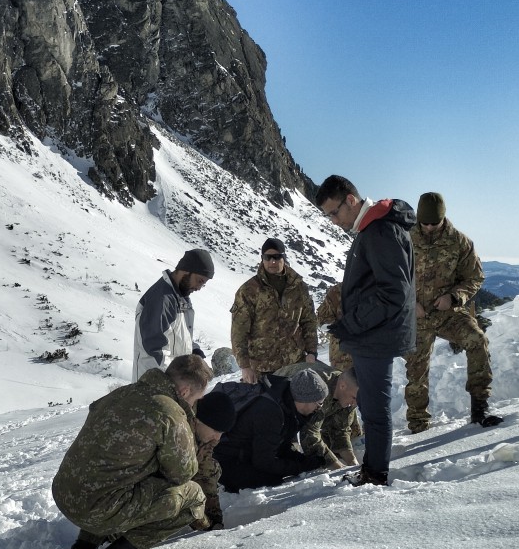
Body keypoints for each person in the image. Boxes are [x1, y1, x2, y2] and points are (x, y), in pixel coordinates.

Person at [51, 354, 225, 549]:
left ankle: (86, 543)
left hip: (65, 495)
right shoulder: (170, 412)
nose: (194, 405)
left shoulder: (121, 393)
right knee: (194, 496)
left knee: (116, 473)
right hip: (96, 510)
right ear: (185, 391)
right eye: (196, 399)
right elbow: (183, 473)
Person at [315, 175, 416, 487]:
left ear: (350, 200)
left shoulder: (380, 230)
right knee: (371, 404)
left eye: (334, 212)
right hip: (372, 333)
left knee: (374, 408)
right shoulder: (372, 228)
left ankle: (375, 474)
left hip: (376, 335)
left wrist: (351, 323)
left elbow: (393, 292)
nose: (334, 221)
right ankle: (373, 469)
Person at [406, 192, 504, 433]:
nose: (429, 228)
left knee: (477, 341)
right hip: (415, 316)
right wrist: (409, 302)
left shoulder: (459, 241)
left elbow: (475, 277)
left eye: (434, 223)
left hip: (448, 314)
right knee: (416, 371)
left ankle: (480, 407)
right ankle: (418, 424)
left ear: (443, 217)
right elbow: (391, 278)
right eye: (424, 223)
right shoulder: (405, 239)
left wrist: (453, 297)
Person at [213, 368, 333, 491]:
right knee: (272, 479)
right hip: (226, 462)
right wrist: (301, 467)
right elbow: (264, 462)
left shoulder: (285, 404)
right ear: (306, 400)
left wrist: (304, 461)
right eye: (319, 404)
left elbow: (279, 446)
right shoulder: (271, 412)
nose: (319, 409)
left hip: (246, 455)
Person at [230, 238, 318, 384]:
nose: (272, 261)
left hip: (294, 363)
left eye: (277, 257)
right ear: (262, 259)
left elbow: (308, 320)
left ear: (284, 258)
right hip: (262, 367)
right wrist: (245, 366)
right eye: (268, 257)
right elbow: (239, 330)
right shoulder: (249, 290)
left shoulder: (299, 287)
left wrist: (311, 352)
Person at [133, 249, 214, 380]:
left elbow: (177, 335)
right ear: (187, 270)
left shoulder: (180, 297)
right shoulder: (161, 299)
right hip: (154, 384)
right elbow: (155, 351)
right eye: (199, 281)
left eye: (203, 284)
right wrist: (176, 380)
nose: (199, 288)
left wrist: (193, 353)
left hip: (173, 382)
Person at [187, 390, 237, 530]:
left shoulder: (207, 437)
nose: (217, 438)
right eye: (215, 430)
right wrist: (201, 521)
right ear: (198, 421)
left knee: (213, 468)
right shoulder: (179, 430)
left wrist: (213, 520)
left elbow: (205, 470)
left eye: (221, 433)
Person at [295, 365, 362, 469]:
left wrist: (352, 462)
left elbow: (340, 430)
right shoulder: (319, 390)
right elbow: (309, 434)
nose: (355, 404)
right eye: (354, 398)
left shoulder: (349, 393)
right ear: (342, 386)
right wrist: (338, 467)